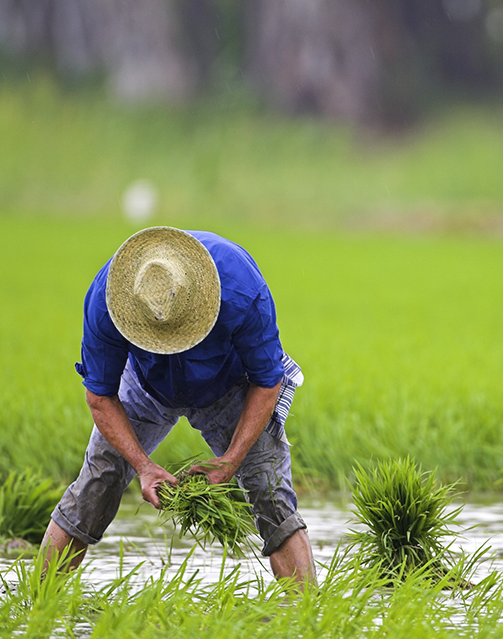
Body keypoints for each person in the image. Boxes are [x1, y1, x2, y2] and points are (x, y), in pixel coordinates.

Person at [41, 226, 315, 585]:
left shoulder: (240, 288)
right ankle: (36, 605)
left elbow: (267, 380)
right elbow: (101, 396)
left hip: (229, 386)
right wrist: (142, 466)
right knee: (99, 479)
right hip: (146, 385)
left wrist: (230, 460)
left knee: (269, 490)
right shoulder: (107, 300)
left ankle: (309, 615)